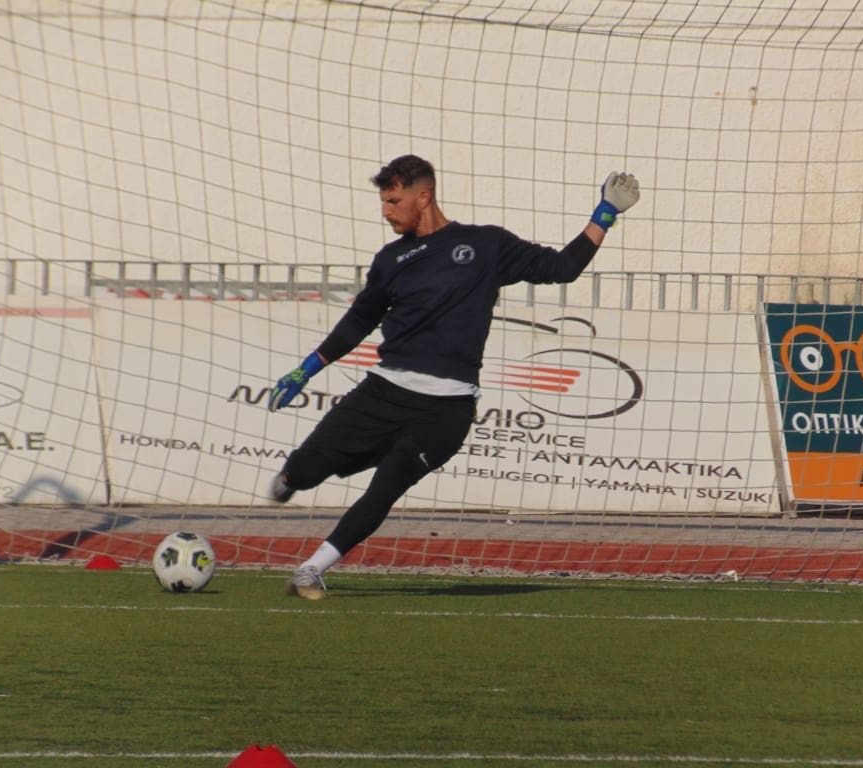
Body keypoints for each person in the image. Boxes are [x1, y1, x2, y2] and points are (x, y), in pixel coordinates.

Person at [267, 154, 640, 599]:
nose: (385, 211)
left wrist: (605, 213)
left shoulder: (485, 245)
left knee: (386, 488)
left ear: (423, 197)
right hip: (384, 394)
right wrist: (305, 369)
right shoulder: (391, 259)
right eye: (383, 202)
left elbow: (562, 268)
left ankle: (311, 570)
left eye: (393, 201)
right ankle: (290, 480)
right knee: (305, 471)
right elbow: (358, 322)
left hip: (447, 410)